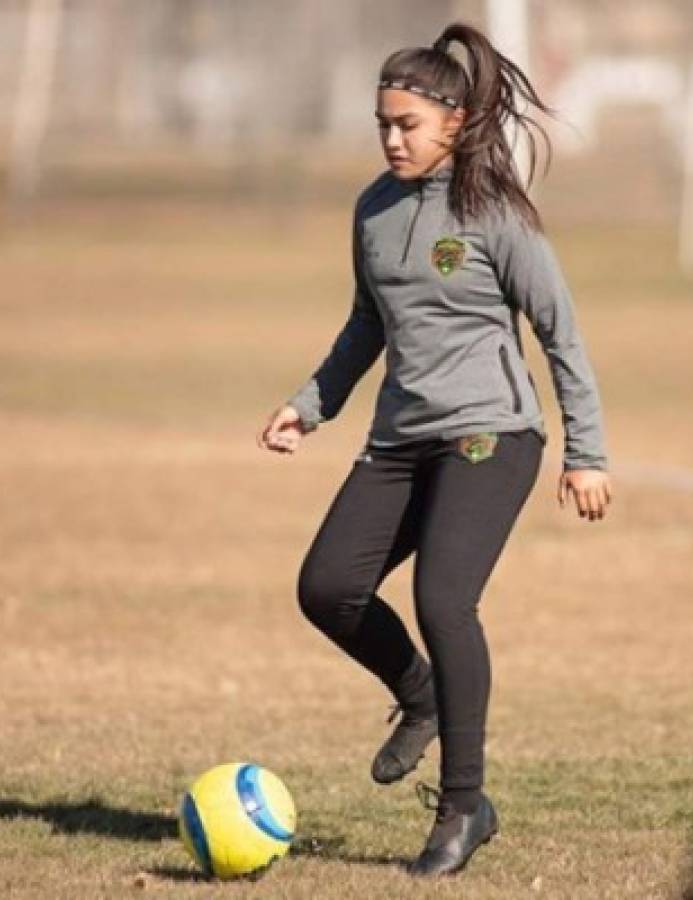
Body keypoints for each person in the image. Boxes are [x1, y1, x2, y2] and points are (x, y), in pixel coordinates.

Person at [258, 22, 611, 877]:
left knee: (443, 599)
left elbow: (559, 330)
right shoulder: (373, 210)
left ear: (453, 122)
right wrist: (310, 406)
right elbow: (365, 325)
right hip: (399, 438)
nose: (390, 138)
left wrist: (585, 451)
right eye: (382, 122)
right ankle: (418, 696)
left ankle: (463, 807)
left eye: (406, 124)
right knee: (327, 588)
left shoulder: (496, 212)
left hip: (493, 435)